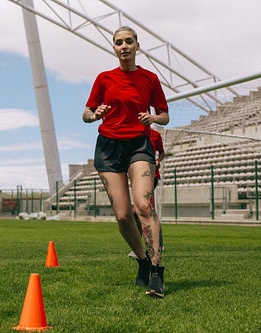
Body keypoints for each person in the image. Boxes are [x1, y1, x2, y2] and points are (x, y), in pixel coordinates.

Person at [82, 26, 169, 298]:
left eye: (128, 41)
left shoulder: (150, 78)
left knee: (143, 205)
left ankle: (156, 272)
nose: (124, 46)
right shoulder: (104, 78)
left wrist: (153, 120)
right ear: (114, 48)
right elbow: (85, 114)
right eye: (119, 42)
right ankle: (142, 261)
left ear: (137, 46)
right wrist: (95, 114)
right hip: (108, 148)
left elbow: (165, 115)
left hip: (139, 145)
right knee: (122, 215)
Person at [128, 128, 165, 259]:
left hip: (152, 176)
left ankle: (157, 245)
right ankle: (137, 247)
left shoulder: (155, 135)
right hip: (137, 176)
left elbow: (162, 153)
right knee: (137, 212)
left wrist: (157, 161)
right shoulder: (133, 133)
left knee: (145, 209)